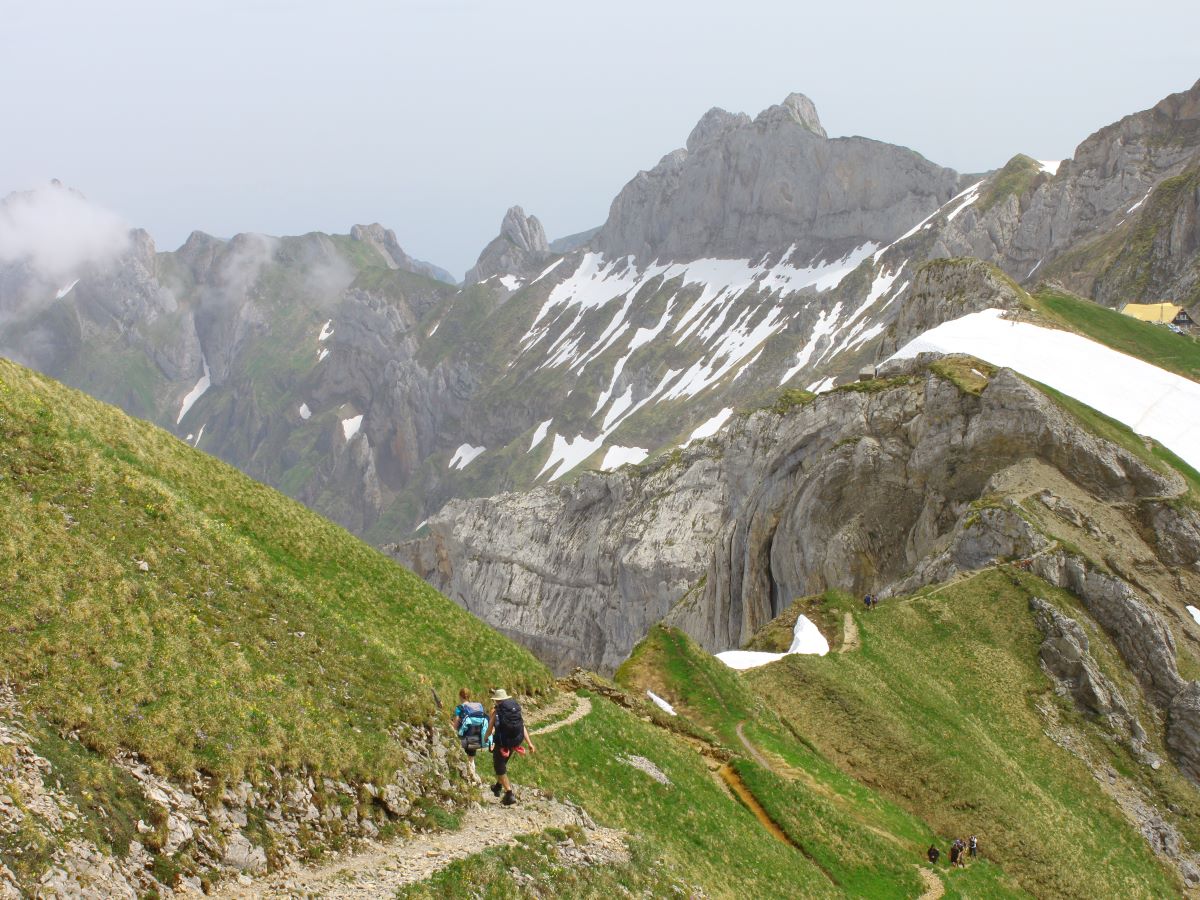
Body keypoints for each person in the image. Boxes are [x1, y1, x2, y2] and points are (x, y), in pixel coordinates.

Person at [488, 687, 536, 806]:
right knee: (503, 764)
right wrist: (529, 743)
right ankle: (498, 787)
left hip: (501, 743)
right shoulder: (514, 711)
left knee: (499, 768)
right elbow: (522, 726)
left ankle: (509, 794)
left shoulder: (497, 711)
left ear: (496, 700)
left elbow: (490, 728)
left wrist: (485, 739)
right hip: (514, 742)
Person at [452, 688, 489, 784]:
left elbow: (455, 726)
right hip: (476, 733)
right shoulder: (477, 706)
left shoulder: (459, 708)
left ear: (460, 696)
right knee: (471, 758)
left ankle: (466, 779)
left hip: (464, 734)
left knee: (463, 757)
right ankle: (473, 777)